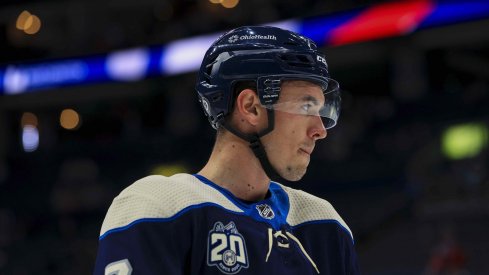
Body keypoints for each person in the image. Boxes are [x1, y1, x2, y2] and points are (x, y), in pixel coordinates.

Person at [94, 26, 360, 275]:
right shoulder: (159, 207)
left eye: (321, 111)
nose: (320, 130)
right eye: (305, 107)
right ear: (251, 107)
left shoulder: (325, 224)